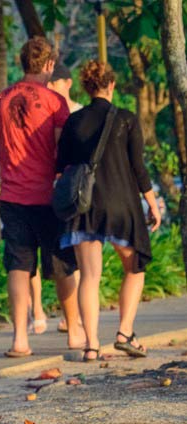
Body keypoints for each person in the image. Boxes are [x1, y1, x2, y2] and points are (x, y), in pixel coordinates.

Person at [56, 61, 161, 362]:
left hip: (84, 207)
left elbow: (60, 165)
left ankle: (91, 346)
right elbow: (138, 168)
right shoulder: (126, 119)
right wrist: (152, 204)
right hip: (121, 207)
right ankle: (124, 332)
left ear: (87, 88)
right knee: (135, 268)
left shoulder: (74, 121)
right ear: (111, 85)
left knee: (90, 276)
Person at [0, 37, 84, 357]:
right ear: (49, 65)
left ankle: (20, 338)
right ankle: (74, 331)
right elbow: (61, 150)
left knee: (19, 266)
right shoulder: (54, 102)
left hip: (11, 195)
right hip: (48, 196)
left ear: (23, 63)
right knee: (62, 264)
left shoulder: (2, 99)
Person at [27, 62, 85, 335]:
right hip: (40, 187)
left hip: (63, 193)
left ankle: (72, 318)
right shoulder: (43, 107)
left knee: (68, 259)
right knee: (32, 259)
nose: (50, 89)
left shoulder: (77, 113)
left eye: (56, 84)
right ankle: (37, 310)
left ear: (68, 83)